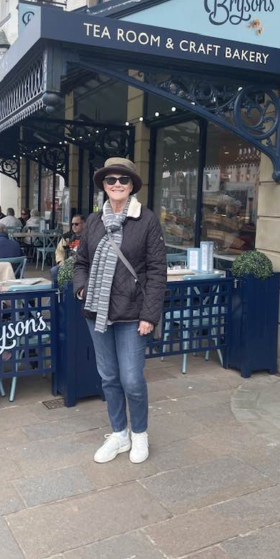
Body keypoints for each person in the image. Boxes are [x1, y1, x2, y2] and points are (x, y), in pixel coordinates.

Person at [73, 158, 166, 464]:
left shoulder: (147, 220)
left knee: (132, 379)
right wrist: (82, 287)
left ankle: (140, 434)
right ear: (103, 185)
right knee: (109, 377)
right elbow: (81, 262)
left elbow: (156, 271)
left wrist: (149, 316)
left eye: (123, 180)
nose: (116, 184)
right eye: (111, 180)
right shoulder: (94, 221)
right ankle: (119, 434)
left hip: (132, 313)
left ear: (131, 186)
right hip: (98, 310)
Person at [50, 215, 85, 285]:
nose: (74, 226)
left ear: (84, 224)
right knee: (54, 270)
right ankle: (58, 293)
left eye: (76, 224)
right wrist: (61, 262)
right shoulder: (67, 237)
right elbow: (59, 250)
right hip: (67, 264)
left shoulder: (88, 237)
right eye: (72, 224)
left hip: (81, 266)